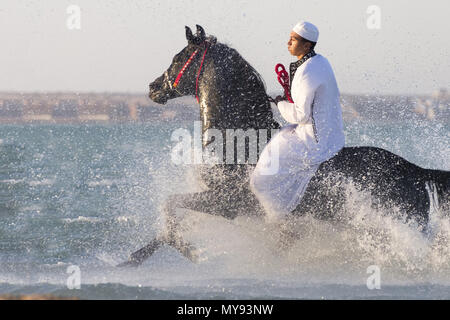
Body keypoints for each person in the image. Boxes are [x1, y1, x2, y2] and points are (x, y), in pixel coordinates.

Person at [250, 21, 345, 223]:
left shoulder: (307, 70)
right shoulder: (321, 61)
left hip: (315, 141)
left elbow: (301, 115)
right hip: (330, 133)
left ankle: (281, 218)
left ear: (307, 45)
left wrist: (280, 104)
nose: (288, 43)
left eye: (293, 39)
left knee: (263, 175)